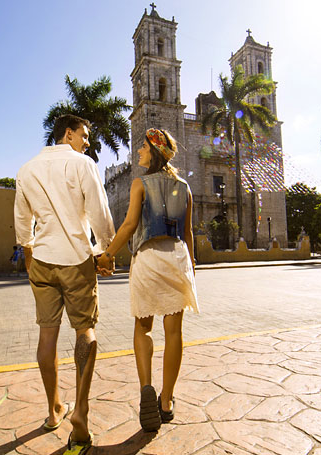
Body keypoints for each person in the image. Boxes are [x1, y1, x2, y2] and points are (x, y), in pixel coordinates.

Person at [14, 114, 115, 454]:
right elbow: (99, 212)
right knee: (85, 331)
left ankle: (54, 409)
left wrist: (28, 251)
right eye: (84, 135)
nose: (88, 142)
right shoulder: (82, 164)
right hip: (75, 260)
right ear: (68, 133)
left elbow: (21, 218)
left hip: (42, 260)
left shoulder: (26, 169)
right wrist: (105, 251)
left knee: (47, 334)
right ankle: (80, 414)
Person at [97, 128, 198, 432]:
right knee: (174, 332)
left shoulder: (140, 184)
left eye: (142, 147)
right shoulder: (185, 186)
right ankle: (166, 402)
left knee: (143, 326)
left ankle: (146, 388)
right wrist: (191, 265)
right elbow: (189, 231)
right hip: (178, 257)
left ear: (153, 151)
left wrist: (107, 255)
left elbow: (129, 225)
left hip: (149, 256)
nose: (138, 152)